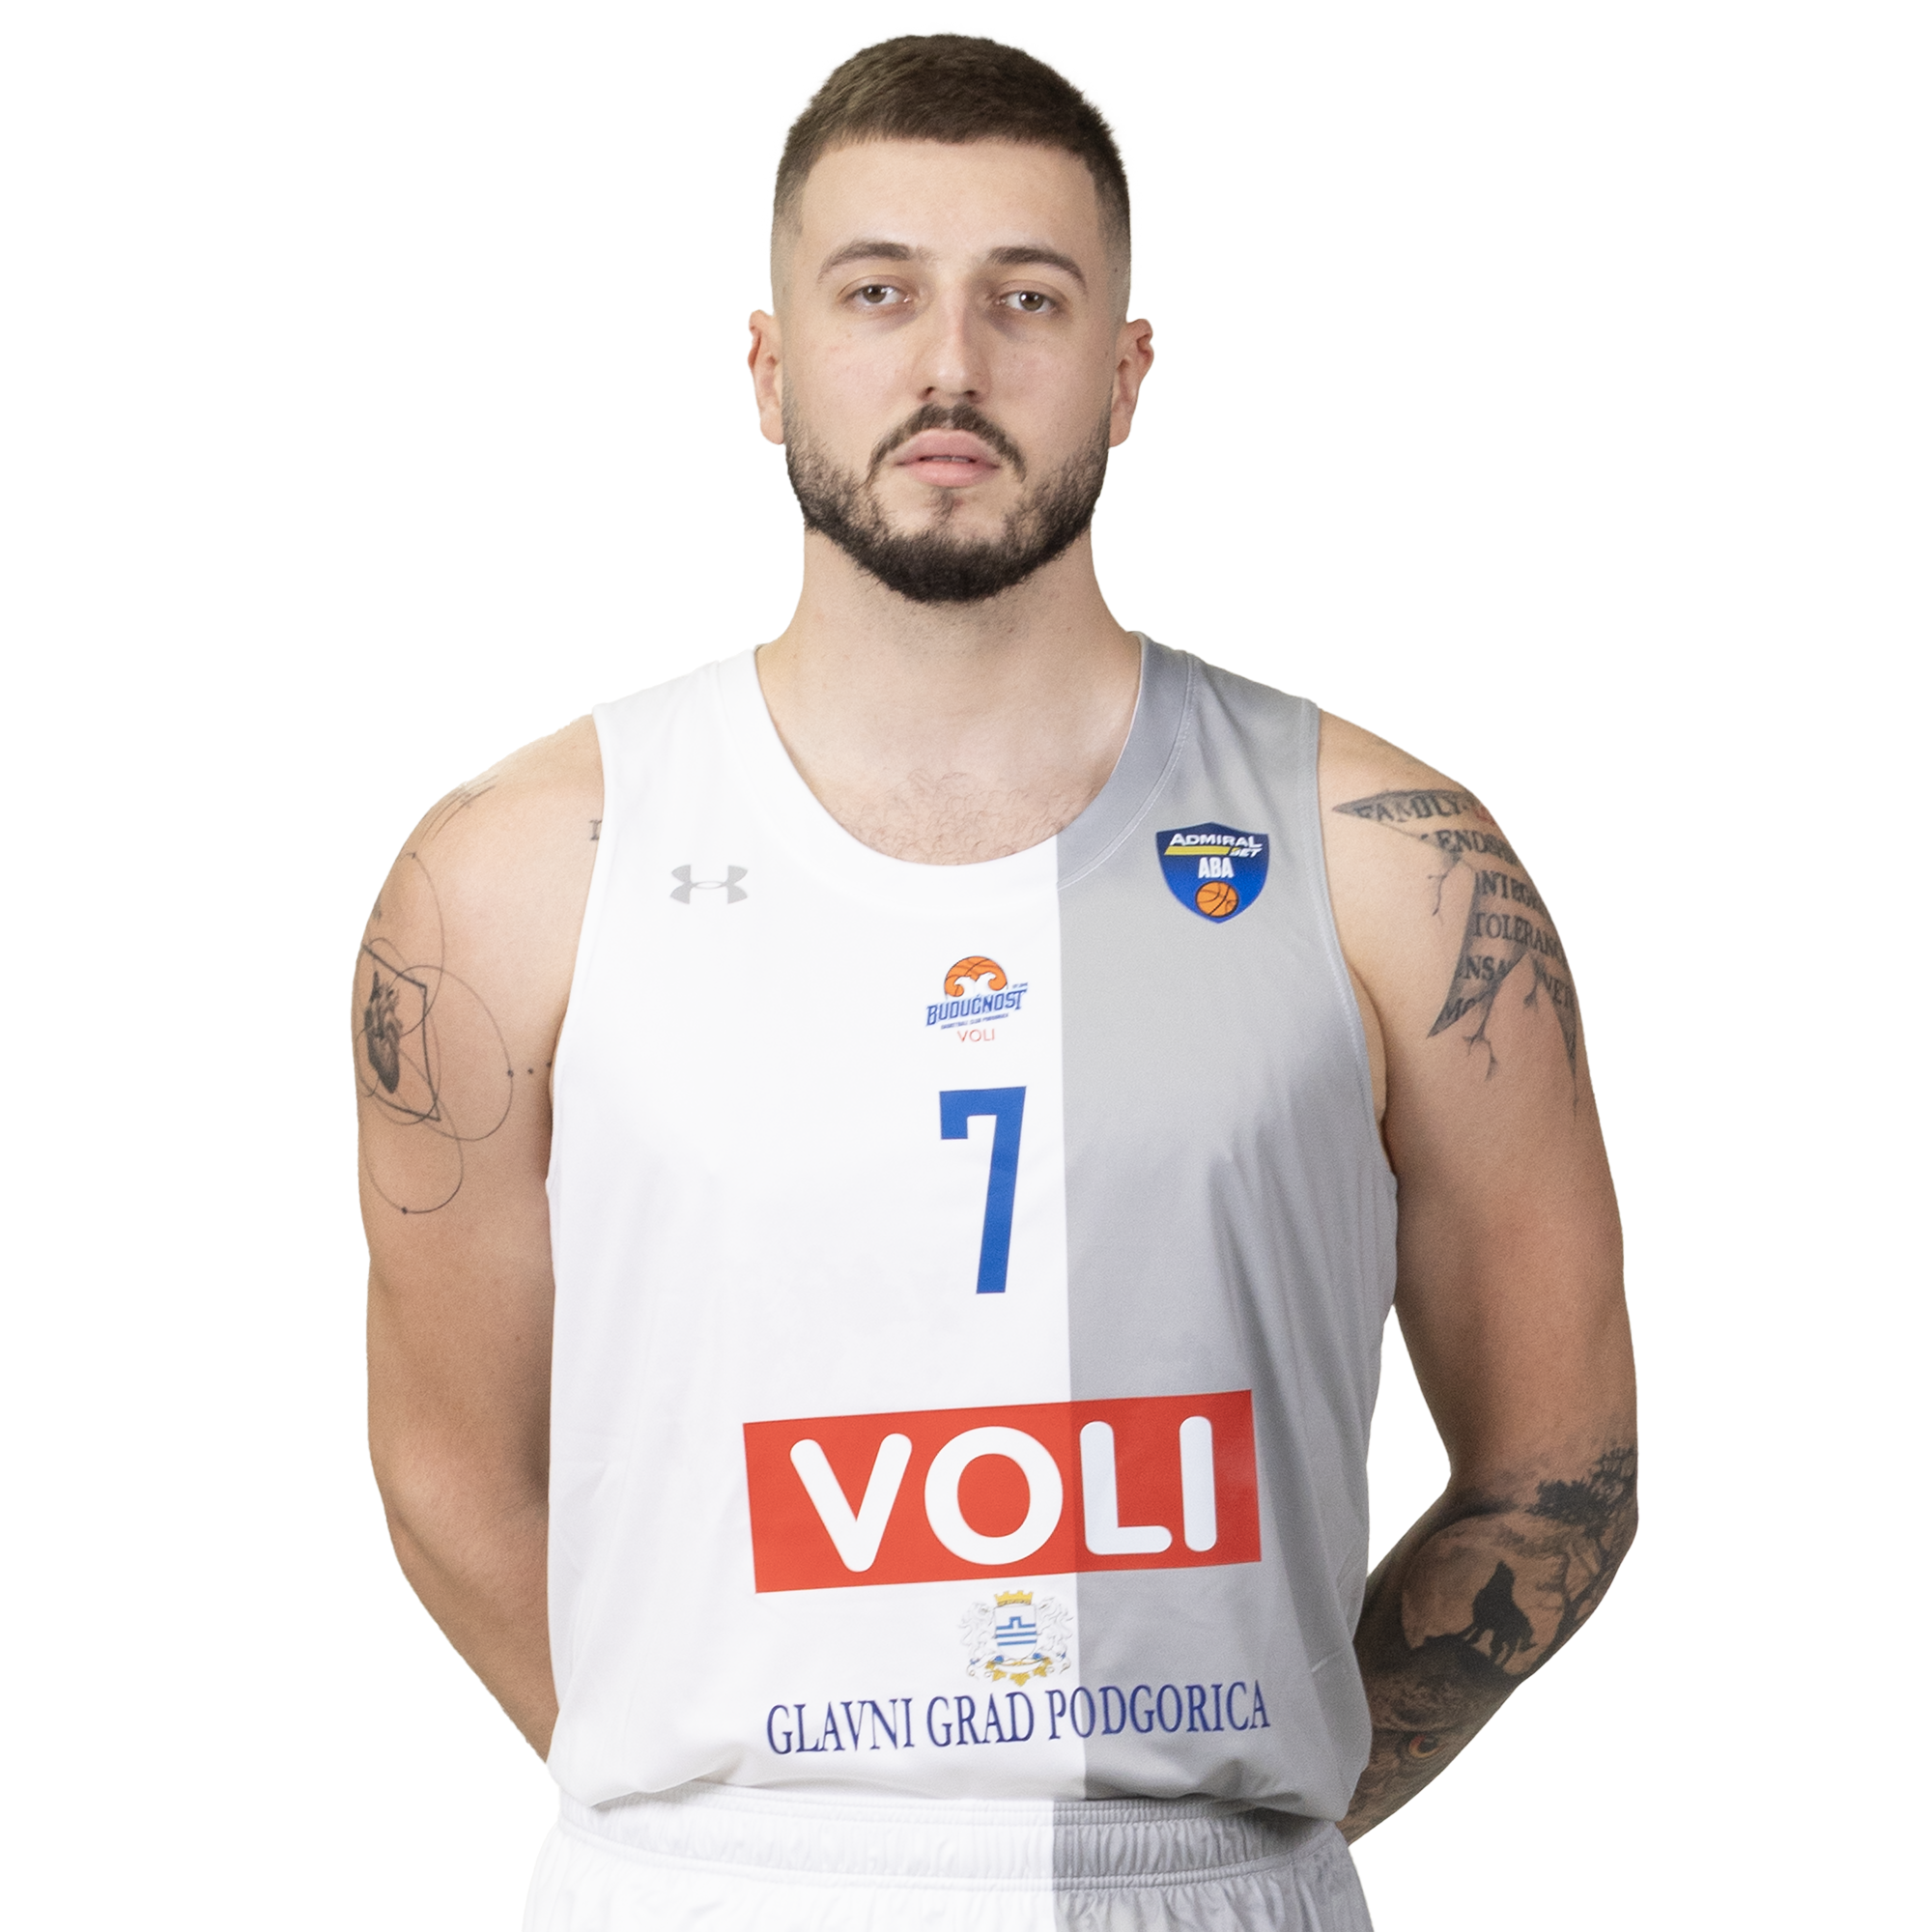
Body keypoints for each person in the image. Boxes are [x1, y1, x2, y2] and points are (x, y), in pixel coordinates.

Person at [357, 31, 1635, 1931]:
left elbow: (1562, 1456)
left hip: (1205, 1883)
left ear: (1125, 371)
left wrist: (1243, 1817)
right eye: (877, 293)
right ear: (769, 364)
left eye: (1026, 299)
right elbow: (449, 1468)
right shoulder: (515, 876)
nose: (948, 364)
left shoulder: (1387, 862)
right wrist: (716, 1802)